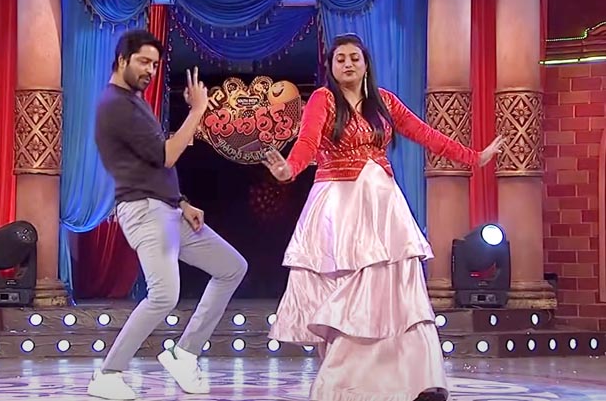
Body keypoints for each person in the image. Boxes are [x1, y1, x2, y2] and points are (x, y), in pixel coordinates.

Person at [262, 33, 503, 401]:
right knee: (350, 292)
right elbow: (307, 142)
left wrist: (473, 157)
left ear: (365, 64)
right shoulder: (323, 99)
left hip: (383, 204)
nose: (348, 64)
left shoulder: (384, 101)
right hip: (340, 205)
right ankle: (346, 385)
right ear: (330, 66)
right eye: (340, 58)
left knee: (398, 290)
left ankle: (417, 381)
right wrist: (289, 169)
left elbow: (424, 133)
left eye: (354, 58)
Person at [88, 29, 248, 400]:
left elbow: (151, 164)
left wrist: (182, 202)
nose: (150, 70)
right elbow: (166, 155)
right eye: (143, 62)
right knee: (163, 295)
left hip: (167, 209)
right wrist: (198, 110)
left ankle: (185, 353)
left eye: (155, 64)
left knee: (231, 267)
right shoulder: (116, 106)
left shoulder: (134, 102)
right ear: (122, 60)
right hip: (145, 211)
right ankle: (108, 373)